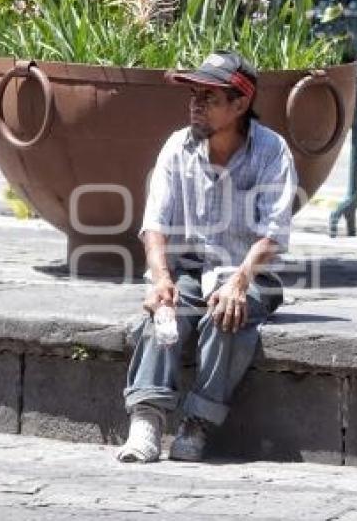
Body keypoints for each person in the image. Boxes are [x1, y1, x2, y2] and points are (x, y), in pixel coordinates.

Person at [117, 51, 298, 463]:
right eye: (193, 95)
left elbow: (273, 234)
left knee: (227, 316)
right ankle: (146, 419)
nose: (195, 104)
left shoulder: (272, 151)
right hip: (191, 267)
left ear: (240, 104)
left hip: (251, 272)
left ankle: (198, 421)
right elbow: (155, 223)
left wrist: (237, 283)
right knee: (165, 314)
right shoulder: (177, 147)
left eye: (209, 97)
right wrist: (161, 277)